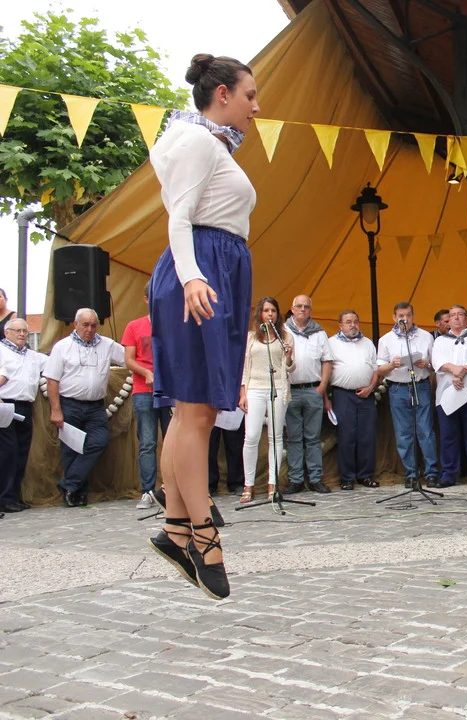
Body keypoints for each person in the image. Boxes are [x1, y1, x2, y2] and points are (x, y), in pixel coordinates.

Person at [145, 53, 259, 600]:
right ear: (223, 95)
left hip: (217, 265)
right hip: (203, 268)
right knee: (196, 413)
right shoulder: (195, 140)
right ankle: (204, 536)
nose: (255, 107)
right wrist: (192, 276)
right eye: (250, 95)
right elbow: (180, 215)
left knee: (190, 411)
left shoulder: (206, 142)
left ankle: (175, 529)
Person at [44, 308, 126, 507]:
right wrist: (56, 410)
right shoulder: (62, 347)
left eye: (93, 325)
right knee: (71, 450)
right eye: (85, 325)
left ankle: (69, 484)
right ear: (76, 324)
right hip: (70, 404)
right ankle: (75, 494)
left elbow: (129, 358)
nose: (89, 329)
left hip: (96, 407)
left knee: (99, 442)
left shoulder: (107, 345)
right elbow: (52, 380)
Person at [239, 297, 295, 502]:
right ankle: (249, 484)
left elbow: (290, 368)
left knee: (276, 436)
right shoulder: (251, 337)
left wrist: (288, 357)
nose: (270, 314)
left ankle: (273, 483)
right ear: (260, 314)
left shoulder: (286, 337)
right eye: (266, 310)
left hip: (278, 387)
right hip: (254, 387)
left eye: (273, 310)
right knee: (251, 436)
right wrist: (243, 393)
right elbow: (245, 367)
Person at [377, 302, 438, 489]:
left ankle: (431, 473)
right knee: (404, 433)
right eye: (401, 316)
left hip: (421, 385)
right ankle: (411, 473)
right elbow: (380, 369)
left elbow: (436, 365)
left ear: (413, 316)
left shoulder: (426, 336)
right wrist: (392, 365)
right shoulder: (385, 340)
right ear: (394, 318)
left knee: (426, 431)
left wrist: (426, 364)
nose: (405, 319)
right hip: (398, 388)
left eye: (408, 315)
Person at [122, 282, 172, 509]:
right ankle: (148, 491)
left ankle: (172, 489)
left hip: (169, 391)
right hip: (144, 391)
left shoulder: (171, 324)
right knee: (148, 442)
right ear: (146, 300)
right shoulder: (134, 326)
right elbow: (129, 359)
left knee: (172, 442)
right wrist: (146, 373)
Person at [432, 305, 467, 488]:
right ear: (448, 320)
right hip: (447, 396)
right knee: (448, 437)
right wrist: (455, 370)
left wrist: (461, 373)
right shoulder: (440, 341)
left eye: (460, 314)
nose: (456, 318)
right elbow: (437, 362)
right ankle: (449, 475)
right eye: (452, 315)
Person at [283, 295, 332, 494]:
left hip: (313, 390)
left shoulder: (319, 333)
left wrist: (322, 386)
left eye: (306, 307)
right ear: (292, 309)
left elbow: (327, 361)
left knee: (313, 437)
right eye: (299, 306)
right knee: (293, 438)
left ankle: (315, 478)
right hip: (291, 391)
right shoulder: (282, 331)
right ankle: (295, 479)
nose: (302, 309)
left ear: (311, 310)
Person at [329, 309, 379, 490]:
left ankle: (365, 475)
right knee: (347, 436)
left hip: (366, 394)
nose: (353, 325)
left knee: (367, 436)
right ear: (340, 326)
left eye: (355, 321)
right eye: (348, 322)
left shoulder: (368, 343)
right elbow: (325, 369)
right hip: (343, 394)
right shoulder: (331, 343)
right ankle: (347, 478)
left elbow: (375, 369)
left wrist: (370, 388)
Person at [0, 318, 46, 513]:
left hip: (25, 406)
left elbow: (56, 365)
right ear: (6, 332)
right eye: (17, 330)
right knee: (7, 452)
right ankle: (5, 498)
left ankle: (13, 495)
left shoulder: (33, 356)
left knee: (21, 452)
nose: (21, 334)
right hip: (5, 404)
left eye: (25, 331)